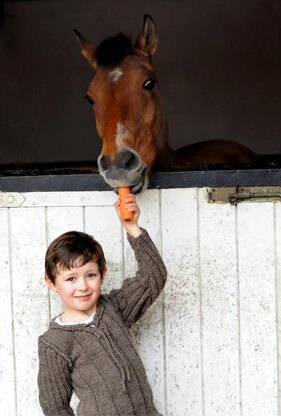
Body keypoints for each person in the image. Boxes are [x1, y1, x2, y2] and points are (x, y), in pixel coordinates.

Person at [38, 193, 167, 416]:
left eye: (90, 275)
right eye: (71, 279)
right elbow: (55, 408)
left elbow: (153, 276)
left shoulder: (114, 309)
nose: (82, 286)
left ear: (102, 274)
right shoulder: (55, 343)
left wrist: (132, 227)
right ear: (51, 283)